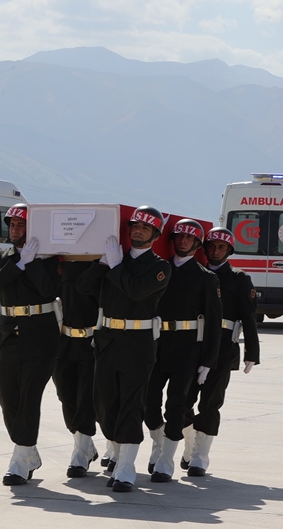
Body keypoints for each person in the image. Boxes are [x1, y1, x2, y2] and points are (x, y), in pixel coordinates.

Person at [76, 206, 171, 492]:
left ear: (155, 235)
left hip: (138, 343)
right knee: (105, 404)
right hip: (107, 340)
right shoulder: (115, 260)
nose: (137, 231)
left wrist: (116, 266)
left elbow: (136, 291)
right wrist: (101, 264)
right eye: (134, 226)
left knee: (132, 404)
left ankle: (127, 468)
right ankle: (116, 456)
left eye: (145, 228)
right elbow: (82, 287)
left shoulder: (160, 267)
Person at [0, 206, 61, 485]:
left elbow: (48, 290)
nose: (15, 229)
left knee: (29, 397)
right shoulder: (0, 256)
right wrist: (18, 264)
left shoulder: (48, 259)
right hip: (8, 334)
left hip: (41, 335)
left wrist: (35, 261)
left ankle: (19, 459)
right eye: (12, 225)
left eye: (21, 225)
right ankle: (28, 451)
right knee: (8, 397)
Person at [142, 219, 221, 482]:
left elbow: (212, 322)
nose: (183, 241)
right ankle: (159, 443)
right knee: (148, 402)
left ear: (197, 244)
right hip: (157, 344)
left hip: (188, 349)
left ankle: (166, 460)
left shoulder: (205, 278)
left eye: (189, 239)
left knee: (176, 404)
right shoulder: (159, 270)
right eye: (179, 237)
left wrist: (208, 361)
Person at [180, 228, 260, 476]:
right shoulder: (194, 274)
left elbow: (249, 317)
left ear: (229, 251)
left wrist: (252, 352)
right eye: (211, 246)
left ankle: (200, 457)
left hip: (223, 349)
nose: (215, 251)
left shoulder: (239, 278)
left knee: (210, 404)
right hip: (192, 345)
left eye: (221, 247)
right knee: (180, 402)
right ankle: (190, 443)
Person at [53, 258, 101, 477]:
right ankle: (85, 445)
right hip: (64, 341)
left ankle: (80, 454)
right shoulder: (59, 262)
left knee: (86, 398)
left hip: (90, 341)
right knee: (66, 396)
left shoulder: (101, 264)